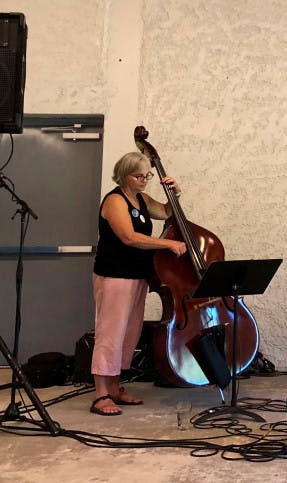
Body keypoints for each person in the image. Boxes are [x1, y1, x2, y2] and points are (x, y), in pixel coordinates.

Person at [90, 152, 186, 416]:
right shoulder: (114, 200)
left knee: (129, 333)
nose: (144, 180)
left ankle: (115, 388)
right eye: (138, 176)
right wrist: (167, 243)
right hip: (114, 275)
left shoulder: (141, 199)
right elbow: (129, 237)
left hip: (137, 275)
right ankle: (100, 395)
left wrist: (174, 192)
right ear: (124, 175)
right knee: (110, 333)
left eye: (147, 176)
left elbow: (167, 212)